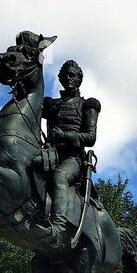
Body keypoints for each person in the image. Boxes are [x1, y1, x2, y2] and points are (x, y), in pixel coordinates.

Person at [41, 60, 99, 236]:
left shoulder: (87, 105)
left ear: (79, 79)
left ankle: (58, 226)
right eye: (65, 75)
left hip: (71, 158)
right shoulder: (52, 104)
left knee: (59, 176)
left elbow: (90, 138)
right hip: (48, 153)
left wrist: (65, 135)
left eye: (72, 75)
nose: (68, 78)